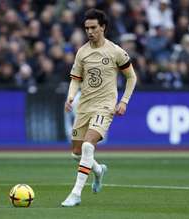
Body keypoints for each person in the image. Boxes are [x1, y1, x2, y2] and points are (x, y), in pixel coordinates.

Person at [61, 9, 137, 207]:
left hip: (105, 106)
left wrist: (124, 101)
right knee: (76, 153)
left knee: (88, 146)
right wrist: (70, 97)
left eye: (93, 27)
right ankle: (98, 170)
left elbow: (131, 77)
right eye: (86, 28)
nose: (89, 31)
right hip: (84, 106)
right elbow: (75, 80)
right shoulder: (82, 52)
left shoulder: (116, 52)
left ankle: (76, 194)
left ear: (103, 27)